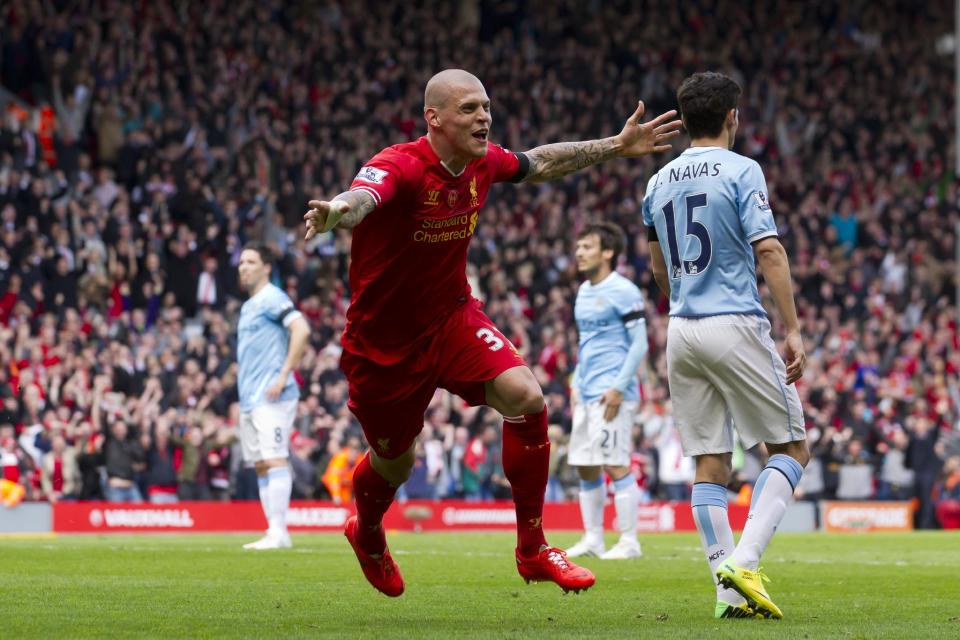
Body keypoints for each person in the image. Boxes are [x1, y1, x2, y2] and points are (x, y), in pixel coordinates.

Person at [304, 68, 680, 597]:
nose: (484, 116)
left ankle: (532, 549)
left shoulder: (483, 163)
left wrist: (616, 146)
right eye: (469, 109)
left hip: (453, 317)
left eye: (486, 106)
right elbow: (364, 195)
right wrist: (339, 212)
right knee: (396, 460)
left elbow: (540, 161)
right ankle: (366, 532)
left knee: (527, 397)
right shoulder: (400, 165)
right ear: (434, 119)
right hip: (382, 343)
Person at [642, 72, 809, 620]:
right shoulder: (743, 169)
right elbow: (771, 252)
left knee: (710, 465)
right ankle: (746, 560)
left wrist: (681, 296)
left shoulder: (658, 180)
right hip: (734, 320)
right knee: (790, 449)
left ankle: (727, 593)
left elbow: (656, 266)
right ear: (732, 117)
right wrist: (793, 328)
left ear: (685, 120)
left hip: (682, 329)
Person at [565, 222, 646, 560]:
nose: (579, 252)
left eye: (587, 246)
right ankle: (593, 538)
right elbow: (587, 343)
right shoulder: (583, 292)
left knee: (614, 464)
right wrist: (575, 379)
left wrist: (618, 388)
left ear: (608, 252)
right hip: (585, 392)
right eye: (579, 246)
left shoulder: (624, 290)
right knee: (586, 465)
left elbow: (640, 343)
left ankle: (629, 541)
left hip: (613, 393)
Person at [236, 242, 310, 550]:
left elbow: (301, 329)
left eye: (251, 261)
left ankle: (279, 532)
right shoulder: (247, 306)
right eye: (241, 262)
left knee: (275, 457)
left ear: (266, 267)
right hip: (251, 397)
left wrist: (283, 375)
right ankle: (273, 531)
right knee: (262, 463)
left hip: (272, 393)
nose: (243, 267)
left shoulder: (272, 298)